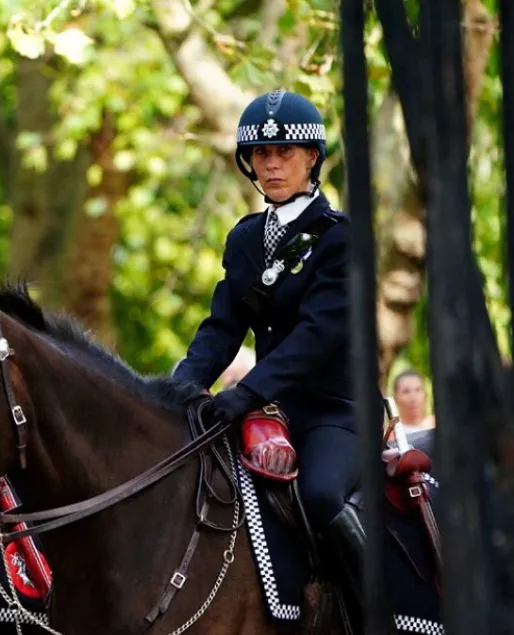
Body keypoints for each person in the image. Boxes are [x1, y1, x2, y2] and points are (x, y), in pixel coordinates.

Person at [171, 90, 366, 622]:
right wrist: (175, 390)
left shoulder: (341, 239)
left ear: (312, 159)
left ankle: (372, 611)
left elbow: (317, 336)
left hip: (335, 413)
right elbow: (221, 328)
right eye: (261, 154)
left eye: (284, 151)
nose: (272, 163)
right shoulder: (245, 239)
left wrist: (246, 392)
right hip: (264, 414)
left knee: (323, 497)